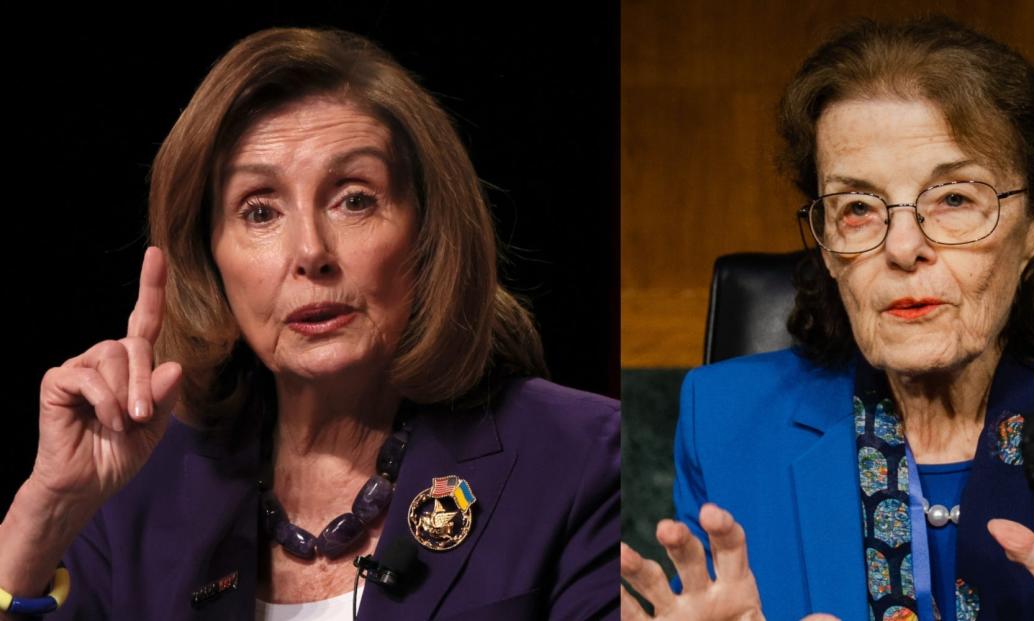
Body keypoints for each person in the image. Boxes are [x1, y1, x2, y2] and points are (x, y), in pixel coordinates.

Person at [620, 16, 1034, 621]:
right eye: (858, 207)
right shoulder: (726, 424)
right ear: (831, 249)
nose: (902, 247)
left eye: (953, 199)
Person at [0, 27, 619, 620]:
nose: (310, 252)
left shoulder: (582, 459)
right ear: (210, 259)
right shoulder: (130, 492)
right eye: (261, 210)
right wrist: (46, 513)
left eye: (354, 198)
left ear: (428, 230)